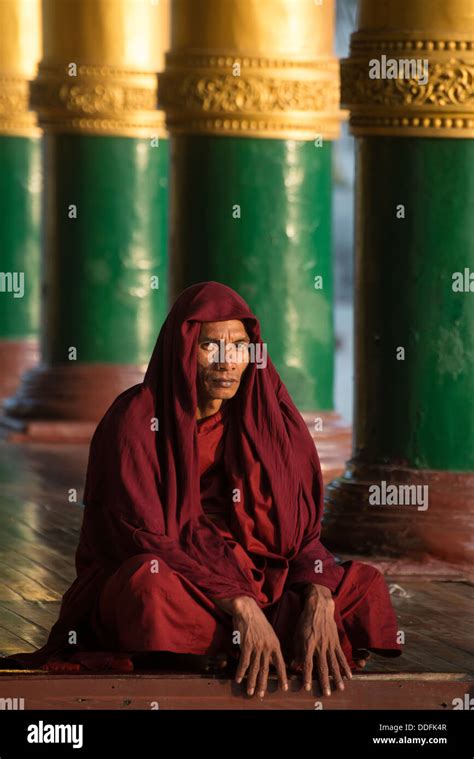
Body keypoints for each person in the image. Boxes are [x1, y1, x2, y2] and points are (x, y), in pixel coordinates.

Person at [1, 281, 402, 698]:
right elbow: (144, 537)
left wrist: (318, 595)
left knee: (363, 585)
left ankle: (229, 644)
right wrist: (240, 604)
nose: (228, 362)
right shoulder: (138, 419)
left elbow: (302, 539)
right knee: (147, 585)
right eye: (211, 345)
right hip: (182, 577)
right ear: (183, 348)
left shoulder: (273, 422)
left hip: (261, 581)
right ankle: (254, 639)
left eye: (240, 345)